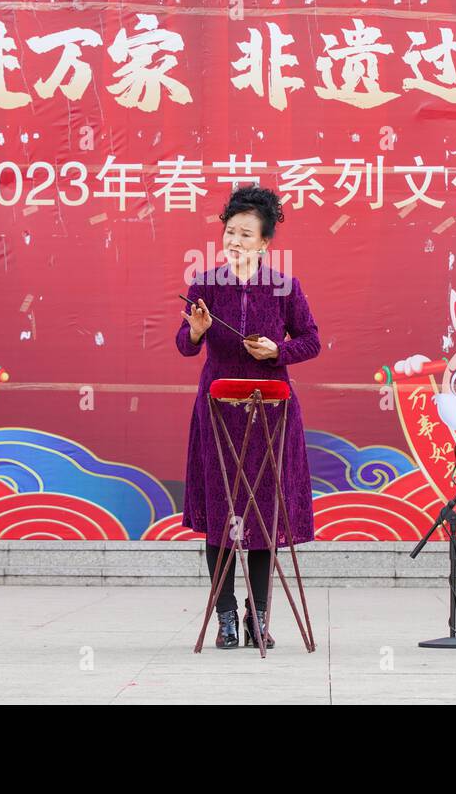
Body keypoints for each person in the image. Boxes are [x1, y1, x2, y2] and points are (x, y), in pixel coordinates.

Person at [176, 185, 320, 649]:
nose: (234, 240)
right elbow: (184, 344)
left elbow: (312, 341)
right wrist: (196, 331)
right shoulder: (204, 284)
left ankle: (259, 617)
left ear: (265, 242)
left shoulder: (285, 287)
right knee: (222, 514)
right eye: (229, 231)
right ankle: (225, 618)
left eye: (245, 233)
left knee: (263, 517)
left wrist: (279, 350)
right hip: (218, 413)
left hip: (270, 415)